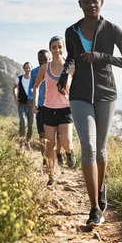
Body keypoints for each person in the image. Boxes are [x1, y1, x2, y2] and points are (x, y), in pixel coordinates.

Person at [57, 0, 122, 227]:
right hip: (79, 95)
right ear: (79, 3)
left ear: (102, 2)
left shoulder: (112, 30)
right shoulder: (71, 31)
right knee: (89, 147)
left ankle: (101, 189)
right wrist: (63, 76)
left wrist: (102, 57)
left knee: (101, 149)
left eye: (95, 0)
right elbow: (71, 58)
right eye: (86, 0)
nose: (91, 3)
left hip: (105, 95)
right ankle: (94, 208)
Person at [33, 36, 77, 186]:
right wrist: (34, 103)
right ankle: (51, 178)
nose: (57, 50)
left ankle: (69, 152)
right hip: (48, 110)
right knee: (50, 147)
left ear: (63, 49)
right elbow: (36, 86)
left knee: (66, 142)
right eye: (54, 47)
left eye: (59, 47)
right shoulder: (45, 68)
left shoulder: (71, 67)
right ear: (50, 49)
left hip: (66, 110)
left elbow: (79, 87)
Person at [28, 50, 64, 167]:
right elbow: (32, 89)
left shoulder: (56, 69)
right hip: (41, 107)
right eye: (40, 60)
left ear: (50, 58)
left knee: (58, 136)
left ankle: (58, 152)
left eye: (46, 60)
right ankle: (45, 159)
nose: (43, 62)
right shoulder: (34, 72)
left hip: (56, 106)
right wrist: (33, 102)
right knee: (42, 136)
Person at [13, 62, 34, 149]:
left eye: (29, 68)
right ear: (23, 68)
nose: (28, 70)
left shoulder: (34, 79)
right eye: (26, 68)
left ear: (31, 69)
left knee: (30, 125)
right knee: (23, 123)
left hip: (31, 105)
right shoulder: (19, 79)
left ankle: (28, 141)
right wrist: (15, 98)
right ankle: (21, 141)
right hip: (21, 104)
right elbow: (14, 88)